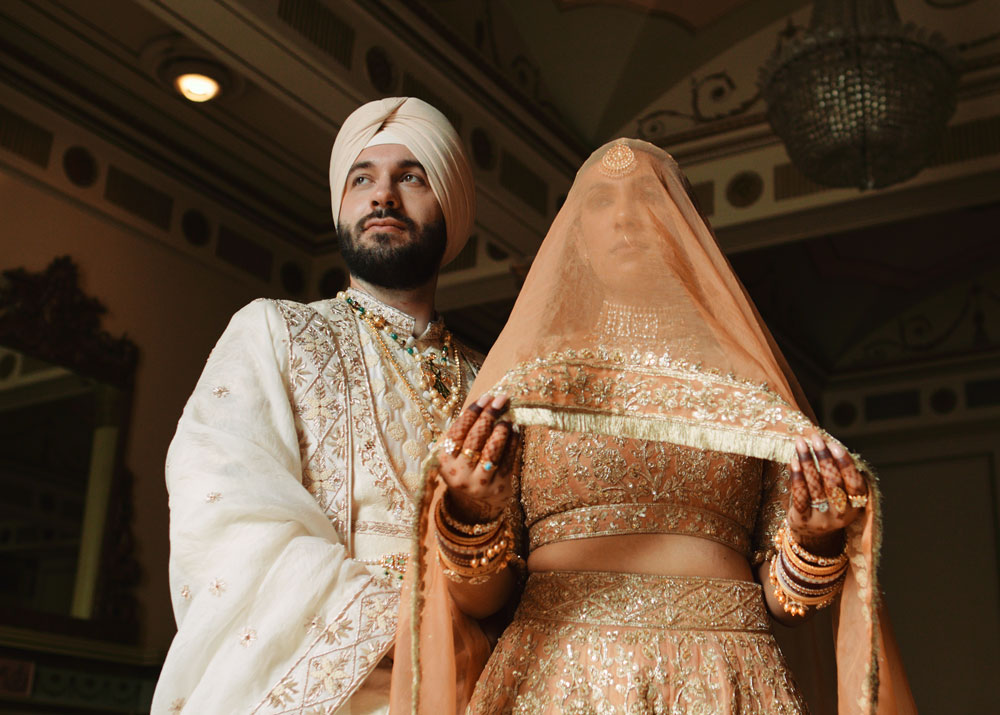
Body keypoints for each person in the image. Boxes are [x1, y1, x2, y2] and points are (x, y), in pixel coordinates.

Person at [391, 139, 915, 713]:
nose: (625, 218)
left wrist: (815, 539)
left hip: (727, 679)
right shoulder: (531, 385)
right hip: (559, 676)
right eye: (599, 201)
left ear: (688, 232)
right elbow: (482, 601)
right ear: (577, 239)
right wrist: (471, 513)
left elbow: (786, 604)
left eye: (648, 197)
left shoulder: (747, 390)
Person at [151, 97, 481, 715]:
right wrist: (403, 629)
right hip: (338, 684)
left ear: (451, 209)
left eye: (411, 176)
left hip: (477, 687)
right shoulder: (275, 332)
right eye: (363, 179)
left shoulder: (490, 378)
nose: (383, 196)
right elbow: (223, 507)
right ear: (342, 203)